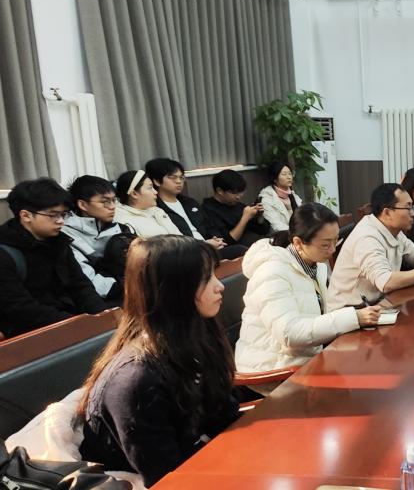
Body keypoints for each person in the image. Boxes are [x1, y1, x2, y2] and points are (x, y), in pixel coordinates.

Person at [77, 235, 239, 486]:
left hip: (202, 460)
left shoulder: (196, 337)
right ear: (174, 291)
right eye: (206, 278)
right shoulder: (136, 380)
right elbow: (166, 477)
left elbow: (223, 416)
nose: (220, 286)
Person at [235, 204, 381, 379]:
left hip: (304, 357)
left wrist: (354, 315)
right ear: (298, 243)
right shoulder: (271, 272)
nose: (333, 250)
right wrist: (353, 318)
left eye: (336, 241)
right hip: (272, 369)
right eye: (325, 245)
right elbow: (289, 333)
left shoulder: (315, 265)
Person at [0, 178, 108, 336]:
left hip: (70, 321)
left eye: (64, 214)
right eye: (53, 215)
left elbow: (80, 286)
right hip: (30, 332)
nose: (61, 221)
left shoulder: (58, 242)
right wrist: (76, 325)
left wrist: (103, 316)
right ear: (26, 215)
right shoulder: (5, 253)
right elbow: (20, 308)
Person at [328, 183, 414, 307]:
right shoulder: (367, 237)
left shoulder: (392, 229)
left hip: (377, 304)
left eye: (412, 207)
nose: (413, 213)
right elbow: (386, 282)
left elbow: (413, 253)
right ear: (387, 212)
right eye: (408, 208)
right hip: (351, 312)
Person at [146, 158, 244, 260]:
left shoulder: (190, 203)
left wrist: (216, 239)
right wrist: (204, 244)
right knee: (240, 250)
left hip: (209, 249)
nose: (179, 181)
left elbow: (209, 226)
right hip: (189, 254)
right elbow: (172, 241)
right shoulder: (157, 209)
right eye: (173, 177)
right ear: (157, 181)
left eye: (181, 177)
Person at [63, 175, 135, 303]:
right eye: (105, 202)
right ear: (83, 205)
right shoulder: (68, 235)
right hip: (103, 297)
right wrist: (126, 287)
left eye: (114, 200)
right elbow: (86, 278)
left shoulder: (121, 229)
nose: (112, 206)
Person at [201, 169, 271, 247]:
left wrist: (259, 217)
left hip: (256, 243)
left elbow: (264, 231)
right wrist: (245, 218)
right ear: (219, 190)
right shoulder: (208, 210)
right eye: (234, 193)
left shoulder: (238, 205)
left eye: (241, 192)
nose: (238, 196)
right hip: (238, 248)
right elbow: (227, 242)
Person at [112, 170, 184, 239]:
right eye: (150, 188)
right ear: (134, 194)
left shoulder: (157, 211)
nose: (155, 192)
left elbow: (179, 237)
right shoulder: (124, 222)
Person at [259, 160, 302, 233]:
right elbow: (276, 226)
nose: (289, 177)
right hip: (280, 236)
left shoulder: (293, 196)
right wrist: (298, 233)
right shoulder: (267, 198)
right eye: (284, 174)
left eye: (290, 173)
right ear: (275, 179)